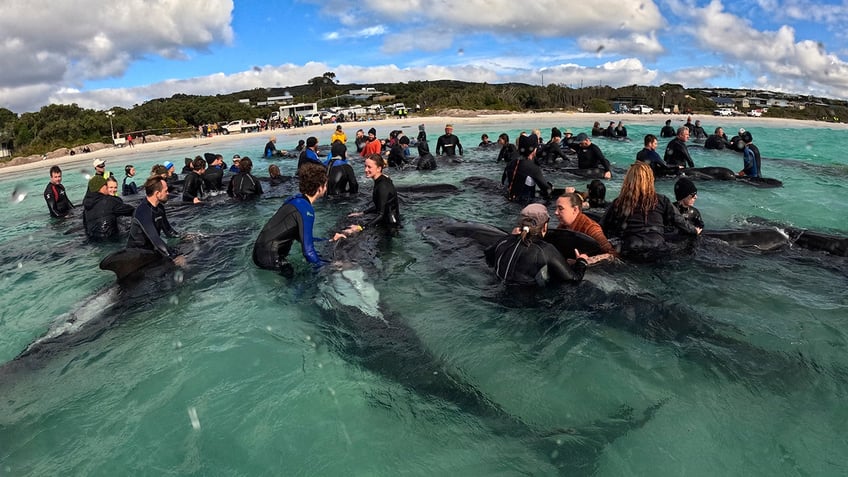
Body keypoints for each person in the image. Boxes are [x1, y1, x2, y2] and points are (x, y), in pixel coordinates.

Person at [252, 163, 339, 276]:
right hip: (270, 259)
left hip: (260, 253)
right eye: (326, 185)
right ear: (320, 187)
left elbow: (301, 237)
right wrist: (332, 266)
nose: (326, 188)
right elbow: (308, 252)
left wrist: (328, 240)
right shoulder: (306, 209)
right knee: (305, 281)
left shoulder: (295, 200)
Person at [600, 162, 701, 258]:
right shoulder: (662, 200)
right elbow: (680, 221)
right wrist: (694, 230)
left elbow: (602, 228)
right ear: (650, 179)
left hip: (631, 250)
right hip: (658, 248)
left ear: (628, 181)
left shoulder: (618, 203)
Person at [485, 203, 589, 287]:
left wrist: (510, 237)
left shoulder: (503, 241)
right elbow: (573, 280)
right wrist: (582, 262)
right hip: (526, 306)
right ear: (545, 226)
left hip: (498, 293)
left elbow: (488, 257)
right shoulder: (546, 250)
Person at [126, 175, 184, 265]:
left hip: (151, 250)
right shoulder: (143, 211)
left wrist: (185, 237)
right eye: (166, 191)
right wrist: (174, 256)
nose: (168, 193)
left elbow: (169, 231)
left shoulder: (159, 208)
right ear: (157, 193)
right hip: (137, 256)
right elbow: (156, 239)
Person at [347, 154, 401, 235]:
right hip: (388, 221)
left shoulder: (382, 186)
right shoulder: (383, 180)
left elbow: (381, 215)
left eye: (369, 167)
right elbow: (381, 205)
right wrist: (362, 213)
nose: (365, 169)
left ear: (379, 168)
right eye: (365, 166)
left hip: (390, 226)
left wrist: (361, 227)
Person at [554, 192, 616, 263]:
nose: (556, 212)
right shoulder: (562, 226)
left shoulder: (591, 228)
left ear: (575, 210)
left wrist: (588, 261)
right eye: (556, 208)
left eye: (560, 208)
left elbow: (612, 254)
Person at [83, 176, 135, 241]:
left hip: (94, 242)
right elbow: (133, 211)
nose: (112, 190)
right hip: (112, 241)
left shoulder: (86, 208)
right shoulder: (110, 202)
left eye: (115, 187)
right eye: (109, 187)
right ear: (103, 187)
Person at [504, 134, 553, 203]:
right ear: (534, 150)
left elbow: (503, 181)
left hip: (507, 200)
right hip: (524, 205)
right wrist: (550, 186)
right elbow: (546, 189)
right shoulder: (533, 168)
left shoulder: (510, 164)